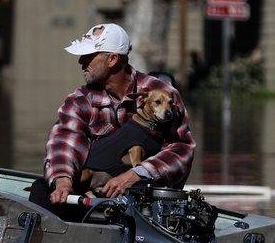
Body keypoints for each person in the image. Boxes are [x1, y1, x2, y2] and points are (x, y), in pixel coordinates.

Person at [35, 23, 195, 209]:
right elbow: (64, 141)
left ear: (112, 60)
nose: (81, 62)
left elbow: (182, 149)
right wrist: (63, 181)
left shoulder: (164, 93)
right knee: (40, 190)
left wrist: (135, 174)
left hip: (148, 200)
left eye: (88, 57)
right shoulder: (79, 100)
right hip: (95, 196)